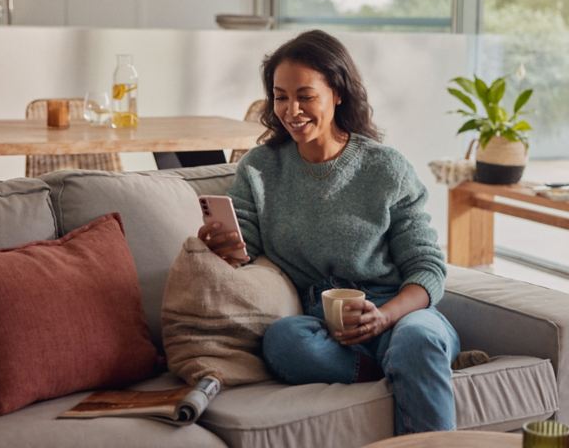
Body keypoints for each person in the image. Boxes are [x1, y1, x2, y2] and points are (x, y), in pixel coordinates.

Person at [197, 29, 460, 435]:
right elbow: (244, 249)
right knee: (284, 341)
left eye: (305, 96)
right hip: (320, 324)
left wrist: (385, 316)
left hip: (398, 313)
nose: (291, 110)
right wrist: (224, 246)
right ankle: (385, 370)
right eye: (280, 96)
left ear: (338, 93)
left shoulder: (385, 168)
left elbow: (428, 269)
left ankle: (414, 374)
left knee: (418, 341)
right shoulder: (260, 168)